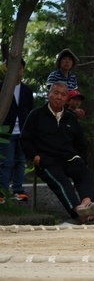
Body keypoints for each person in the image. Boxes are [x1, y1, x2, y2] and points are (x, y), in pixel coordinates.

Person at [20, 82, 94, 224]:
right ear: (49, 94)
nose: (59, 97)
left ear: (67, 99)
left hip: (70, 159)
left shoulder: (71, 118)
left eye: (63, 94)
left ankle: (87, 204)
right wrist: (34, 156)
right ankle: (79, 212)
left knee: (86, 174)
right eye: (56, 93)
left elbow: (81, 143)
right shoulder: (36, 115)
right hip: (47, 160)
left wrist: (82, 161)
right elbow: (24, 140)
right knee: (62, 181)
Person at [0, 58, 34, 203]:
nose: (17, 71)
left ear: (22, 70)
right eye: (14, 68)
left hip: (22, 131)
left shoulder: (27, 90)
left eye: (20, 68)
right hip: (6, 131)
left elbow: (30, 110)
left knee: (20, 161)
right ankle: (2, 191)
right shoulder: (2, 88)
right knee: (6, 162)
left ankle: (18, 190)